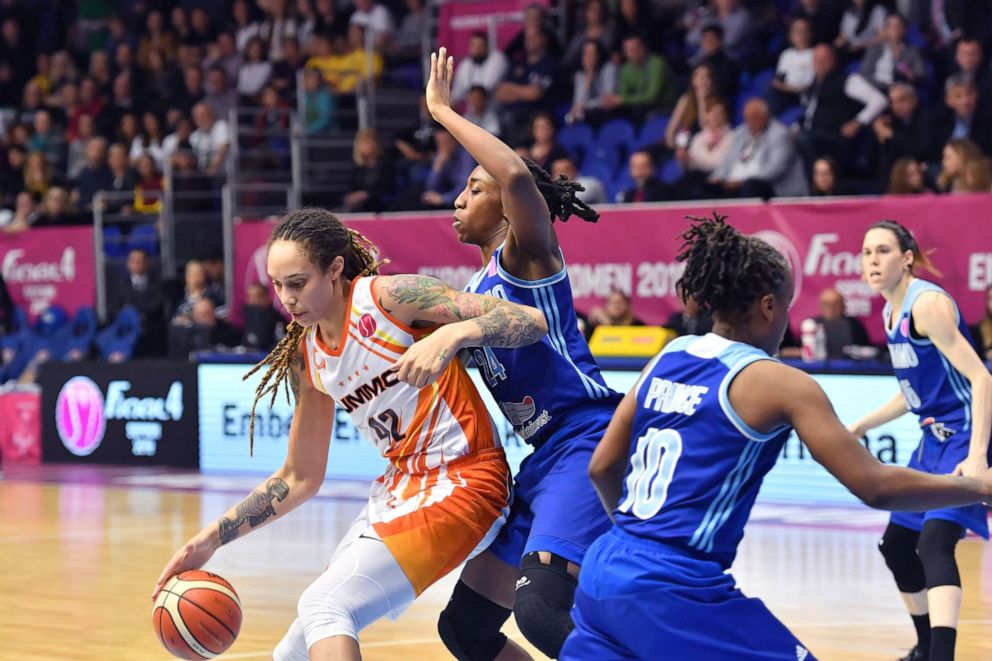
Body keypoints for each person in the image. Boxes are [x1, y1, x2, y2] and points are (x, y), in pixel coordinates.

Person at [560, 214, 992, 660]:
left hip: (605, 567)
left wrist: (636, 540)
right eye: (787, 307)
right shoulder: (777, 381)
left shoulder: (669, 354)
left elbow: (602, 466)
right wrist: (979, 485)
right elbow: (876, 486)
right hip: (676, 585)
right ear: (769, 306)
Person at [152, 207, 550, 660]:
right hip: (403, 487)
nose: (287, 299)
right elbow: (299, 477)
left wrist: (454, 335)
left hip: (466, 480)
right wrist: (208, 540)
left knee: (325, 605)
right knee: (291, 653)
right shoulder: (309, 355)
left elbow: (529, 321)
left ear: (335, 268)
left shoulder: (391, 298)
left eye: (298, 283)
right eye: (278, 285)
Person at [425, 47, 622, 660]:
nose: (459, 198)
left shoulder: (528, 259)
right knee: (465, 629)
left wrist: (441, 111)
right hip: (539, 458)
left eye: (472, 187)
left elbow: (513, 175)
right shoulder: (473, 293)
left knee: (541, 613)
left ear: (508, 208)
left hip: (585, 438)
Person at [848, 220, 992, 661]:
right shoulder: (891, 311)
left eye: (883, 251)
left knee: (934, 543)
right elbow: (912, 392)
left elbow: (982, 378)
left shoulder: (925, 304)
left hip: (966, 435)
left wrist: (977, 456)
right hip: (933, 439)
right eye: (867, 251)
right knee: (896, 546)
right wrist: (860, 425)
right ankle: (925, 646)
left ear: (906, 258)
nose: (872, 260)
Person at [815, 287, 870, 358]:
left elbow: (866, 350)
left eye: (835, 304)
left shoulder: (854, 325)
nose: (832, 308)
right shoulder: (811, 325)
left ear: (843, 305)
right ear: (821, 306)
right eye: (827, 304)